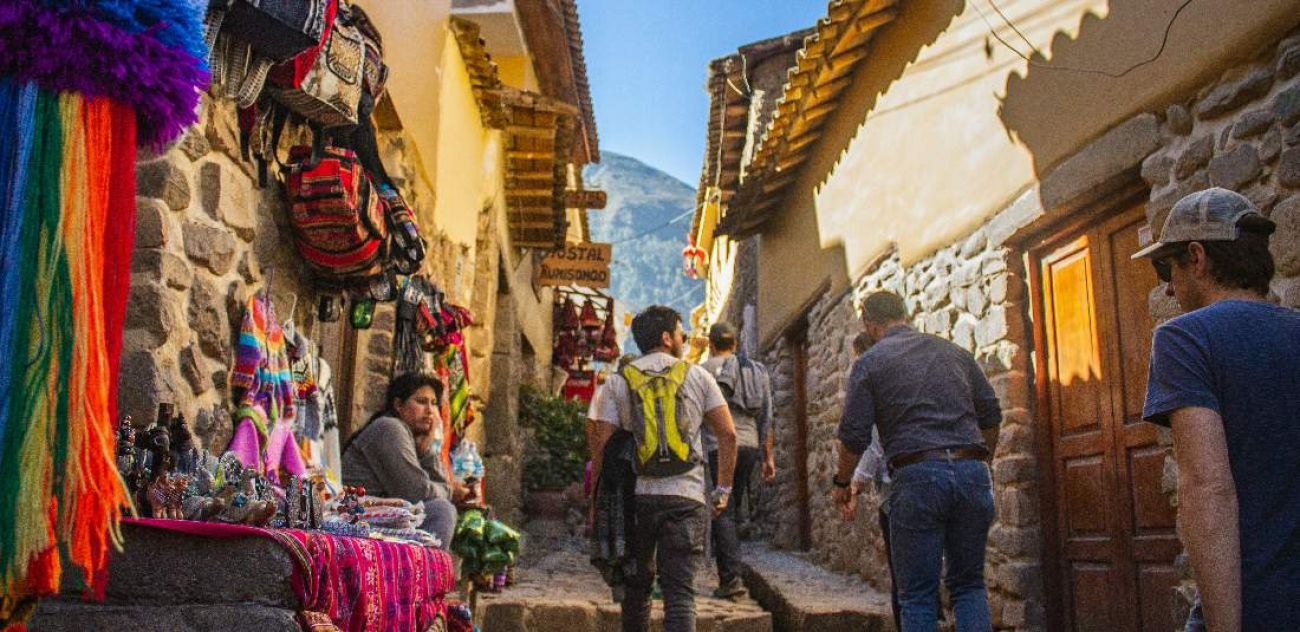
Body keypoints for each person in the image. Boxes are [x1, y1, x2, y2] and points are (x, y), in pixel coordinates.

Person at [1132, 187, 1300, 631]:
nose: (1169, 287)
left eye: (1166, 268)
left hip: (1254, 604)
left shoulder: (1185, 338)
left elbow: (1208, 487)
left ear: (1197, 257)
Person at [832, 291, 1000, 632]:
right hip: (971, 470)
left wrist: (842, 481)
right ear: (905, 314)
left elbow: (854, 436)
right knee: (969, 585)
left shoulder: (870, 363)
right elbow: (991, 415)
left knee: (918, 595)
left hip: (917, 475)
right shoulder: (954, 352)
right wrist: (983, 462)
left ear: (870, 324)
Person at [588, 305, 738, 632]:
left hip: (636, 498)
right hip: (687, 497)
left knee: (636, 590)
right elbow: (728, 434)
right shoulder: (698, 376)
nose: (685, 338)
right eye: (682, 333)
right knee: (680, 594)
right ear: (667, 338)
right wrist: (723, 489)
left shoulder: (618, 381)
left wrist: (596, 501)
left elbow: (602, 446)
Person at [342, 373, 463, 549]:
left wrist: (427, 448)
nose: (430, 410)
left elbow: (435, 486)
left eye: (434, 403)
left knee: (442, 507)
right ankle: (422, 568)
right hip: (358, 516)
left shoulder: (409, 435)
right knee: (441, 510)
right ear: (398, 405)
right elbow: (417, 492)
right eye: (421, 401)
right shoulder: (389, 428)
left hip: (383, 516)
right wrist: (447, 491)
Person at [699, 322, 775, 599]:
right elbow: (766, 416)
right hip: (750, 446)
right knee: (733, 505)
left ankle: (731, 579)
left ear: (711, 344)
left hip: (719, 448)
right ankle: (732, 573)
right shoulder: (757, 370)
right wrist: (768, 456)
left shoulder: (703, 371)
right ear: (735, 344)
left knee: (723, 509)